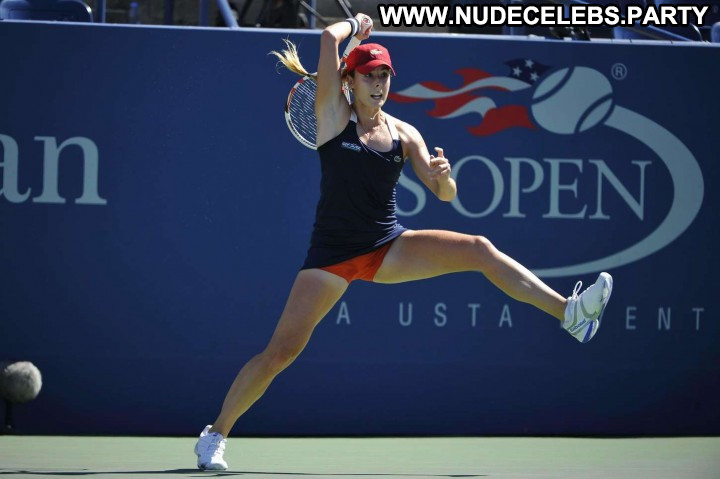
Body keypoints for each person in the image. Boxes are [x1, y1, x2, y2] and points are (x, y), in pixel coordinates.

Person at [194, 13, 613, 471]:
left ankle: (570, 314)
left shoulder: (405, 133)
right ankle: (215, 435)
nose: (378, 84)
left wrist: (443, 177)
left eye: (384, 76)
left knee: (479, 248)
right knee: (281, 352)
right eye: (369, 75)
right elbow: (328, 35)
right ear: (349, 80)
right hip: (332, 256)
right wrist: (356, 23)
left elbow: (445, 195)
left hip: (387, 246)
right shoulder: (333, 114)